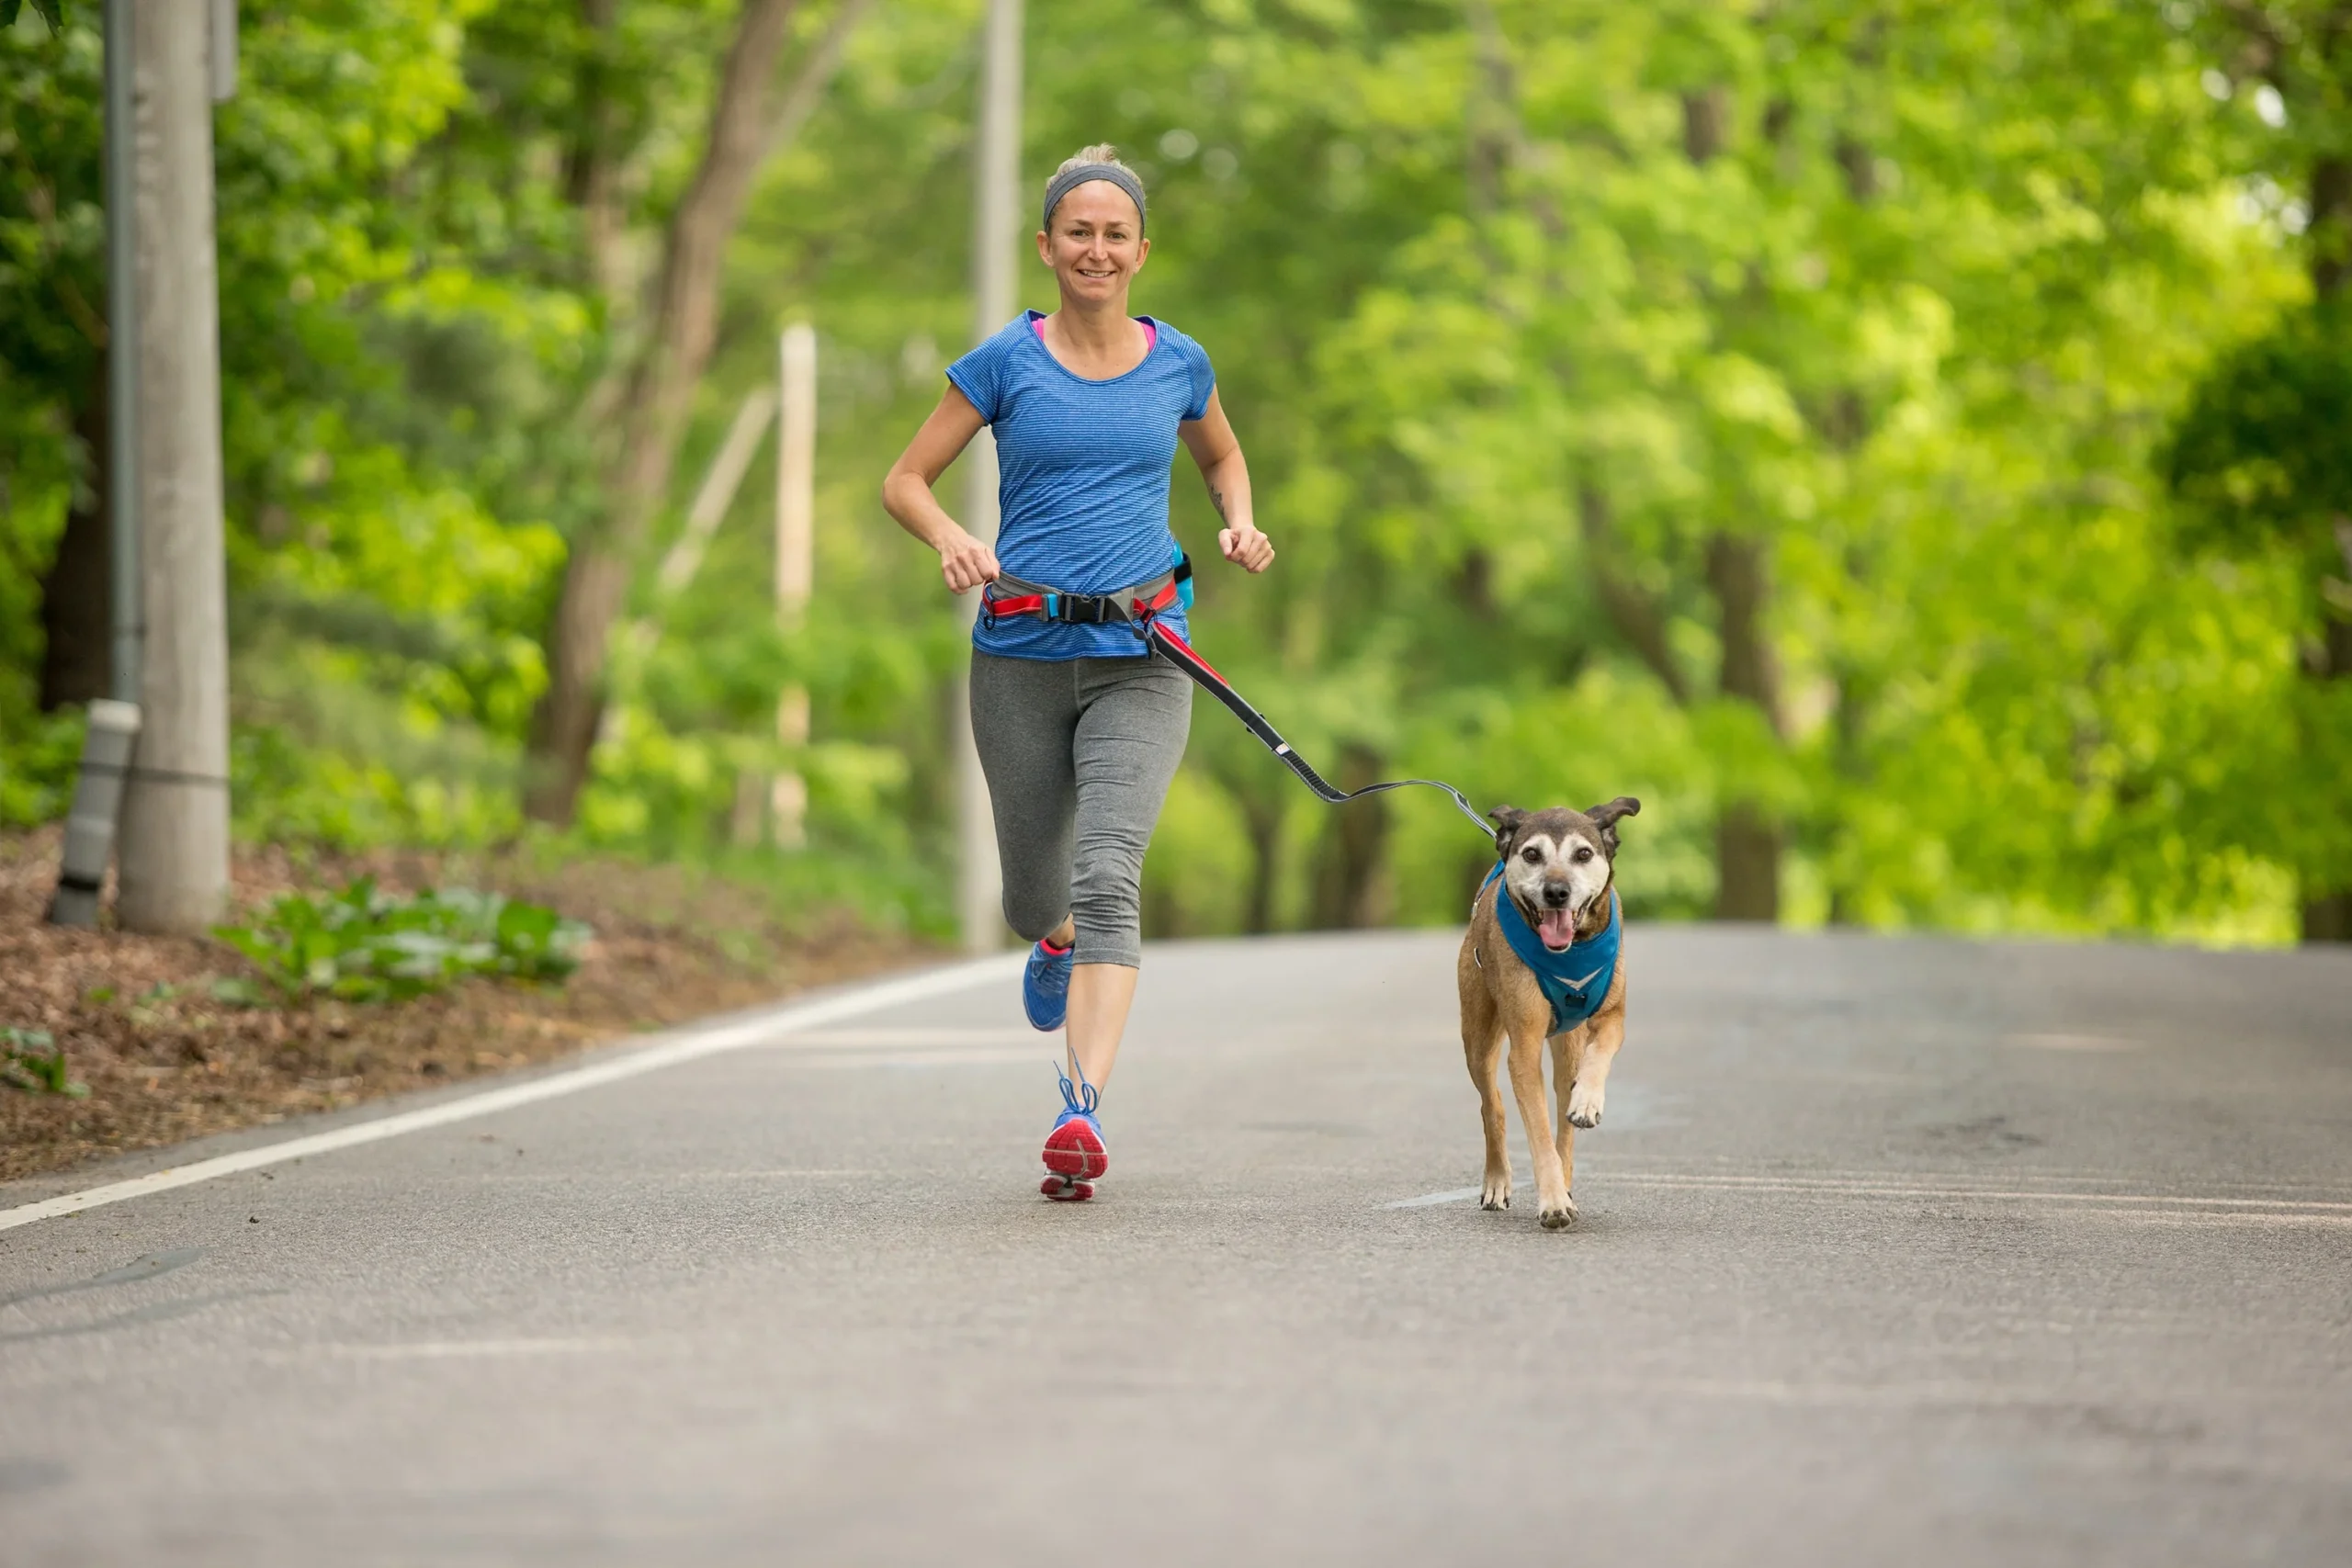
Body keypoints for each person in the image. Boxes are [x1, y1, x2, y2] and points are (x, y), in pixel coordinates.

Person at [881, 144, 1274, 1201]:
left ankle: (1080, 1111)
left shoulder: (1179, 362)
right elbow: (905, 478)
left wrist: (1238, 521)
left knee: (1109, 874)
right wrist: (951, 539)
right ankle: (1049, 939)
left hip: (1144, 655)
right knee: (1032, 896)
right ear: (1047, 246)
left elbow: (1222, 456)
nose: (1096, 249)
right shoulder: (1004, 363)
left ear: (1141, 250)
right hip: (1018, 655)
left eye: (1115, 234)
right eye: (1077, 232)